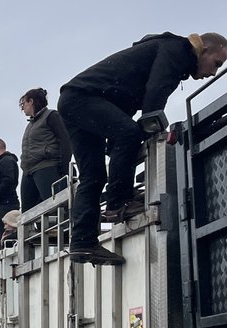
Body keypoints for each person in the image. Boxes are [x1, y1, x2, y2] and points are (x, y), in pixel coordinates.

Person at [59, 32, 227, 265]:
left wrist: (122, 143)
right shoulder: (178, 51)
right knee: (130, 133)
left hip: (75, 100)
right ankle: (119, 202)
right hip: (84, 99)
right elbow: (154, 97)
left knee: (94, 175)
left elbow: (122, 95)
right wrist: (150, 131)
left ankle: (82, 243)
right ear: (204, 50)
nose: (213, 72)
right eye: (216, 64)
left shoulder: (165, 51)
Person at [18, 87, 72, 212]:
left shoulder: (52, 116)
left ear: (31, 101)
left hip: (46, 166)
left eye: (24, 103)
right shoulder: (30, 124)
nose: (22, 107)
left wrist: (64, 169)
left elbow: (66, 141)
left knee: (55, 206)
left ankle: (63, 230)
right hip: (28, 170)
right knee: (27, 211)